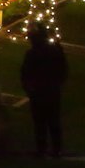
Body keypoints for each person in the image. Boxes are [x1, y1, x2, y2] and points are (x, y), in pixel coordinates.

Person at [20, 22, 69, 158]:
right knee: (52, 120)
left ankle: (43, 149)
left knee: (40, 121)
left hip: (40, 90)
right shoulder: (54, 50)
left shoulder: (33, 53)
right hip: (49, 89)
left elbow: (25, 72)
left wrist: (29, 87)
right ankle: (55, 148)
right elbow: (63, 69)